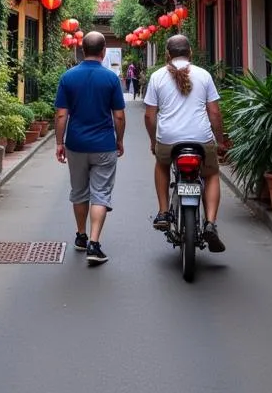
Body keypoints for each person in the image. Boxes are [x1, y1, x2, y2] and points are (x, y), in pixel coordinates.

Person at [143, 34, 226, 253]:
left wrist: (154, 141)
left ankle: (163, 212)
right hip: (201, 138)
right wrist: (221, 141)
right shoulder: (204, 75)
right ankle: (210, 222)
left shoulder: (157, 77)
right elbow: (215, 113)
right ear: (190, 52)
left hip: (169, 140)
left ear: (167, 54)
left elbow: (150, 116)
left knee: (161, 165)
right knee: (211, 175)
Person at [54, 31, 126, 266]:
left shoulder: (68, 77)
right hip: (104, 144)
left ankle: (81, 236)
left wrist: (59, 142)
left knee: (79, 191)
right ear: (104, 51)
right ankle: (94, 244)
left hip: (75, 144)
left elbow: (61, 114)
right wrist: (119, 140)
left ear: (82, 50)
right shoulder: (111, 78)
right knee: (100, 193)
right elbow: (119, 116)